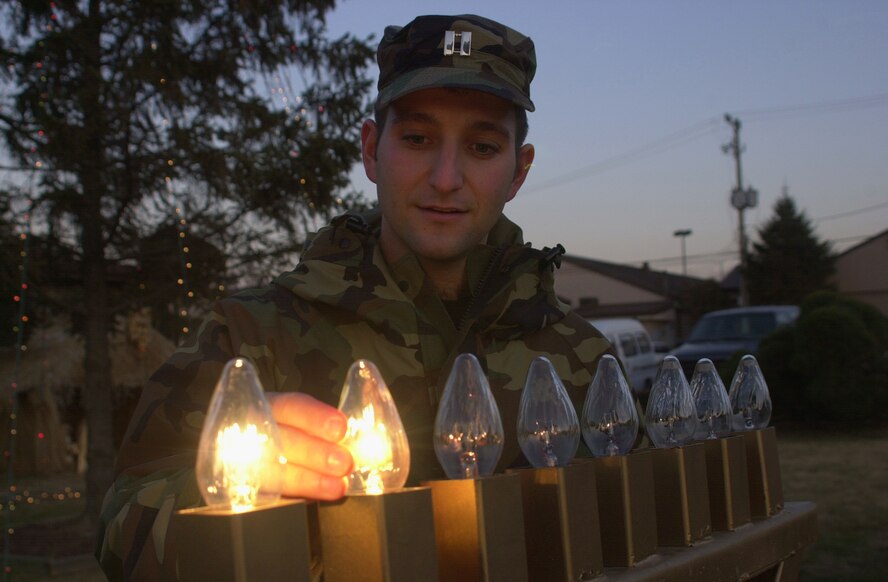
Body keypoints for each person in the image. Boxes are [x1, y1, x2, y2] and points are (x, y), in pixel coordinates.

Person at [96, 13, 613, 580]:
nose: (445, 177)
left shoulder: (580, 360)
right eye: (417, 139)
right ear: (371, 151)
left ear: (518, 171)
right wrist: (223, 488)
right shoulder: (251, 338)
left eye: (483, 147)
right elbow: (121, 535)